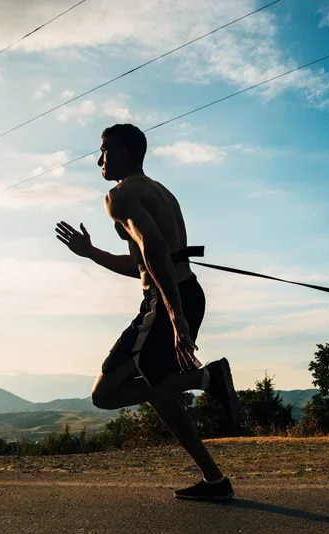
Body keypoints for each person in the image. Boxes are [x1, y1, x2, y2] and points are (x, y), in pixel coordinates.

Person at [55, 123, 240, 501]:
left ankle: (207, 378)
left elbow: (154, 248)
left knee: (105, 394)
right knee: (157, 390)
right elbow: (143, 264)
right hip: (184, 293)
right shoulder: (160, 192)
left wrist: (174, 315)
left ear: (124, 152)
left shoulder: (119, 195)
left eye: (104, 150)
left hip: (166, 300)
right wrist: (91, 253)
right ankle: (215, 480)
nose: (98, 160)